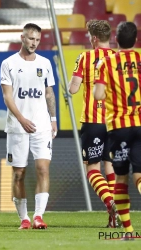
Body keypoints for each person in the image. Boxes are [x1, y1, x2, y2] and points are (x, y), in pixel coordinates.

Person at [0, 23, 57, 230]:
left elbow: (49, 93)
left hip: (41, 125)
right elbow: (7, 96)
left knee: (43, 168)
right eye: (31, 39)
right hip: (17, 126)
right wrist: (22, 119)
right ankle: (24, 218)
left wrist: (53, 119)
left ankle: (38, 216)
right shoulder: (8, 63)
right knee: (18, 174)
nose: (34, 43)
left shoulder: (45, 63)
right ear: (22, 37)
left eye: (37, 40)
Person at [68, 20, 120, 228]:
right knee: (110, 166)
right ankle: (114, 216)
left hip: (93, 121)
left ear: (95, 38)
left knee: (92, 169)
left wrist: (71, 82)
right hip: (114, 123)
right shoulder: (118, 59)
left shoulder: (85, 57)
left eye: (90, 36)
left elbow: (73, 89)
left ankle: (111, 203)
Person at [94, 21, 141, 240]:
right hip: (140, 123)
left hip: (119, 127)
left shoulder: (106, 63)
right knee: (139, 176)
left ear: (116, 40)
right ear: (136, 40)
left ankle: (129, 232)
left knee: (121, 178)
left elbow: (98, 95)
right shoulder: (140, 60)